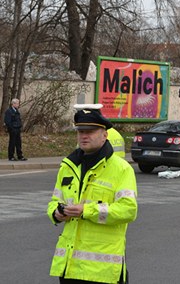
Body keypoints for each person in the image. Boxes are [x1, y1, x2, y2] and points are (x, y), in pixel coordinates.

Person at [47, 108, 137, 283]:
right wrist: (57, 213)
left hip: (102, 271)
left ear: (104, 135)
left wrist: (86, 210)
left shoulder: (121, 169)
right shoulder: (68, 166)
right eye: (80, 131)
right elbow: (54, 201)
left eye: (90, 131)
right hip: (69, 267)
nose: (84, 136)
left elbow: (128, 210)